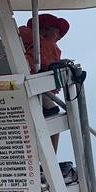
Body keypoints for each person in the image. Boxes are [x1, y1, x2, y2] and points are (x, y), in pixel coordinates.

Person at [19, 13, 69, 149]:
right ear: (44, 31)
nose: (58, 37)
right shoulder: (45, 46)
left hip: (4, 89)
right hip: (28, 91)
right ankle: (50, 160)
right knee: (54, 113)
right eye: (56, 33)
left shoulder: (18, 39)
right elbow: (44, 70)